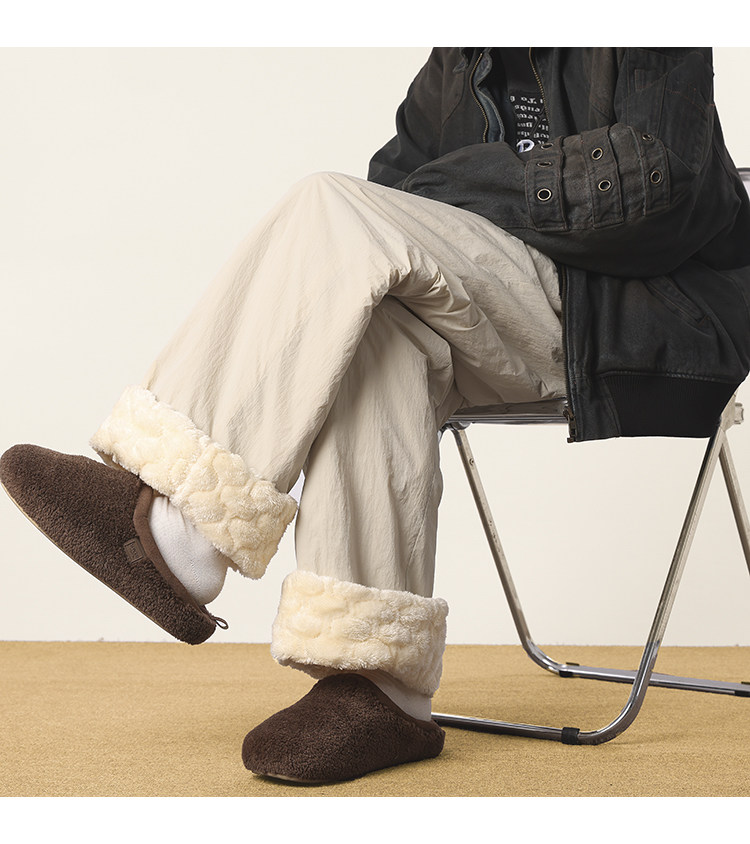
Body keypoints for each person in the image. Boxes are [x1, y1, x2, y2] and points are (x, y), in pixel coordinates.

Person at [2, 47, 750, 785]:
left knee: (326, 204)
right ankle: (380, 685)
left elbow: (661, 184)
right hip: (509, 314)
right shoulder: (459, 60)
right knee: (377, 328)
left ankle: (179, 531)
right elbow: (396, 203)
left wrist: (464, 184)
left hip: (646, 318)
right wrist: (484, 194)